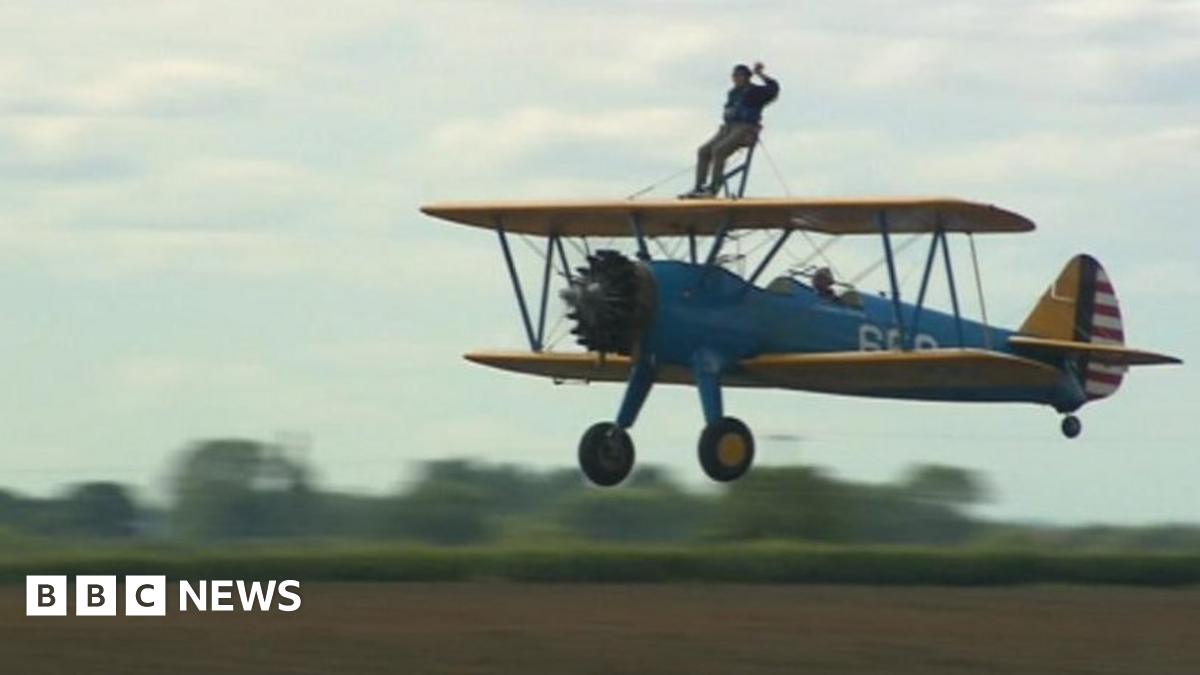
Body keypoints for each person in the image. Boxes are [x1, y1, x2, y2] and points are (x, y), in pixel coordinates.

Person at [682, 62, 780, 199]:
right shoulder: (733, 93)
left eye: (739, 76)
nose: (736, 79)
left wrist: (760, 74)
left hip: (746, 129)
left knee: (719, 150)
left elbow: (774, 88)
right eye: (734, 76)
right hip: (729, 128)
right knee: (703, 151)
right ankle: (699, 187)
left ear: (747, 77)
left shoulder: (756, 92)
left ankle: (713, 189)